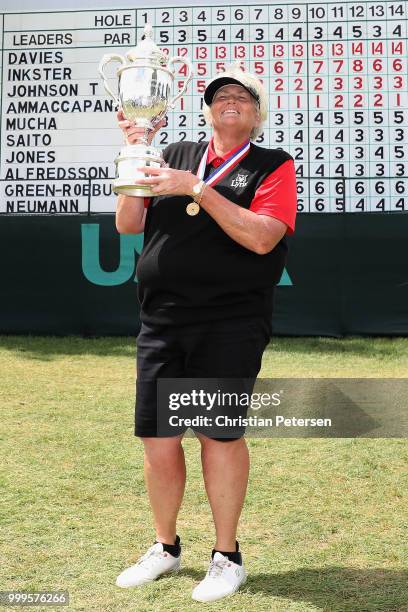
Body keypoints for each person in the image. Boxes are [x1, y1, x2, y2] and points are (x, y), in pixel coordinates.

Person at [114, 65, 297, 603]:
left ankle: (226, 557)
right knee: (157, 437)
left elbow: (264, 239)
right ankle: (166, 548)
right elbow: (128, 222)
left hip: (231, 320)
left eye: (243, 96)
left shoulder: (272, 165)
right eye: (221, 96)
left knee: (217, 435)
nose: (231, 100)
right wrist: (135, 155)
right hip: (162, 318)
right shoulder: (171, 154)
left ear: (257, 115)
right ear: (208, 110)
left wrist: (197, 188)